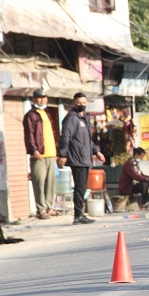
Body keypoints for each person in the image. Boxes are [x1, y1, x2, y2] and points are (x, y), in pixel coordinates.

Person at [57, 92, 105, 224]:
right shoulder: (72, 118)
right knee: (79, 188)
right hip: (76, 157)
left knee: (82, 187)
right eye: (79, 103)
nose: (81, 105)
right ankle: (78, 216)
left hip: (85, 157)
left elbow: (88, 140)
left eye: (83, 103)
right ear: (74, 103)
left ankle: (81, 214)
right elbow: (65, 137)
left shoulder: (85, 118)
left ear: (87, 103)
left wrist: (96, 152)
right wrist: (63, 154)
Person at [22, 88, 60, 219]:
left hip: (51, 154)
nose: (42, 99)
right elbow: (29, 135)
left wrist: (56, 151)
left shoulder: (47, 113)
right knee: (39, 182)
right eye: (39, 97)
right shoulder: (30, 115)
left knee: (51, 182)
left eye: (44, 97)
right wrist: (33, 150)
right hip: (39, 154)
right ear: (34, 99)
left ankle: (50, 207)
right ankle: (41, 209)